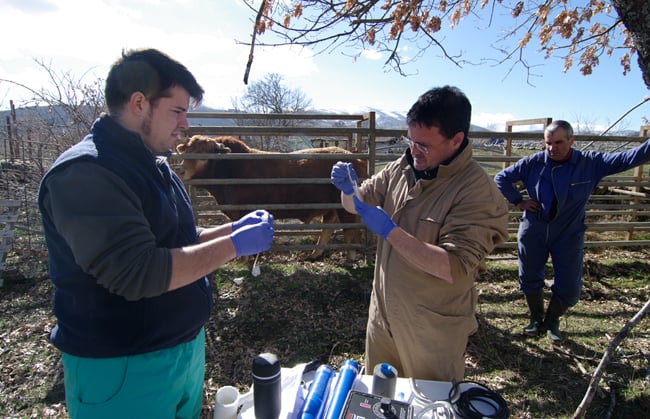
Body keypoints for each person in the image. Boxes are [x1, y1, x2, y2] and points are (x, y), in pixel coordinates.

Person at [37, 48, 274, 419]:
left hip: (182, 350)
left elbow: (175, 239)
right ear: (139, 104)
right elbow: (139, 270)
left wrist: (232, 228)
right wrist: (233, 245)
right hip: (123, 366)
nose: (185, 125)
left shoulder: (154, 166)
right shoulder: (86, 173)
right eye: (177, 111)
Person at [331, 86, 509, 382]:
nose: (414, 150)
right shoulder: (402, 167)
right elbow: (355, 206)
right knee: (379, 399)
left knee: (427, 407)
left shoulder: (476, 191)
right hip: (383, 318)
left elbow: (454, 268)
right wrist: (348, 191)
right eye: (409, 140)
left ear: (456, 140)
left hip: (431, 331)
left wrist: (391, 231)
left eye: (424, 145)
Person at [494, 120, 650, 342]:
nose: (552, 148)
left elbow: (629, 158)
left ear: (571, 140)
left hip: (569, 231)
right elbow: (501, 178)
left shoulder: (590, 163)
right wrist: (519, 201)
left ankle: (552, 321)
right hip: (534, 228)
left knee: (569, 284)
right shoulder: (533, 163)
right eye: (548, 143)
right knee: (529, 275)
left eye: (558, 142)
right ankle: (535, 319)